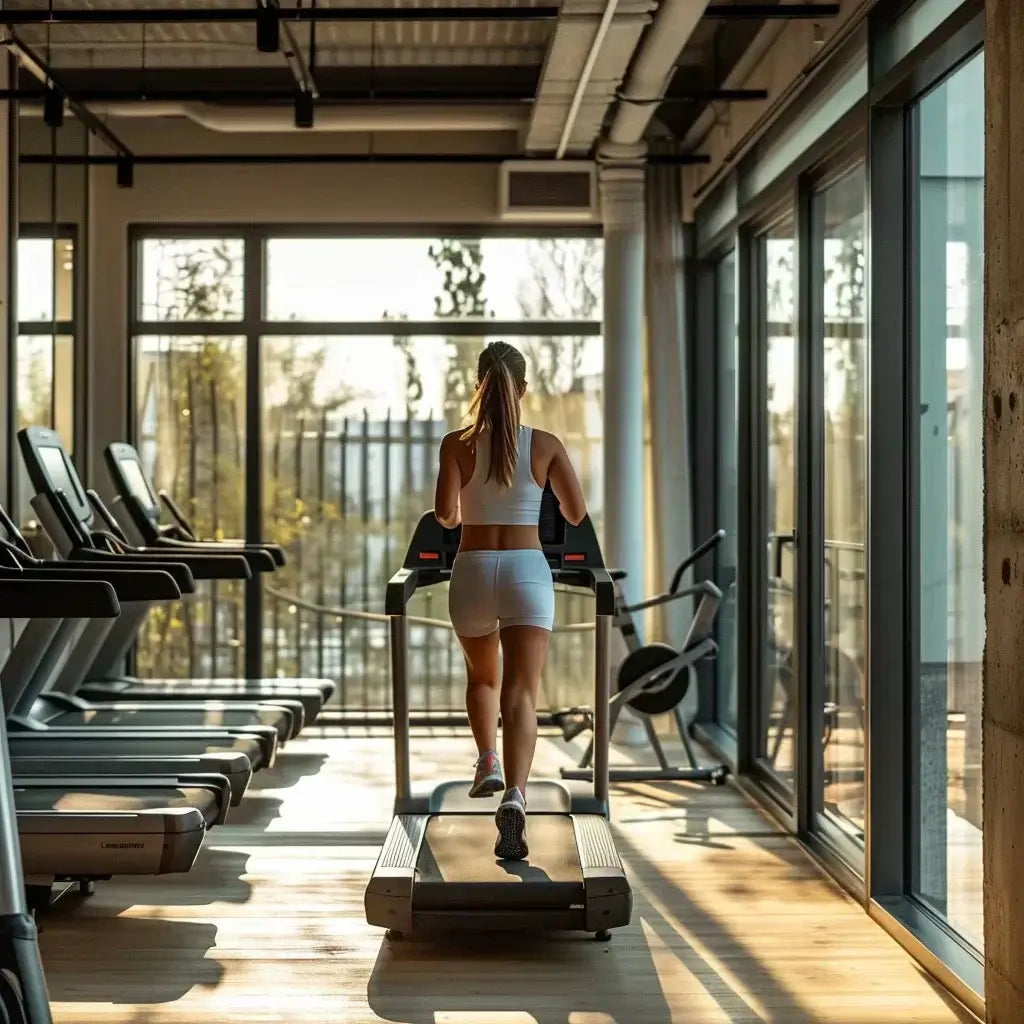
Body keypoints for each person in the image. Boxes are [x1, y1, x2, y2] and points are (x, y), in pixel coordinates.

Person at [433, 341, 588, 861]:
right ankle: (517, 797)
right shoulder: (544, 444)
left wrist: (462, 514)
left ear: (479, 385)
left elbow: (445, 516)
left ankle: (487, 760)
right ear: (522, 389)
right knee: (521, 693)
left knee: (482, 678)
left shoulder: (456, 444)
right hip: (527, 570)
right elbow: (574, 512)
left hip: (473, 570)